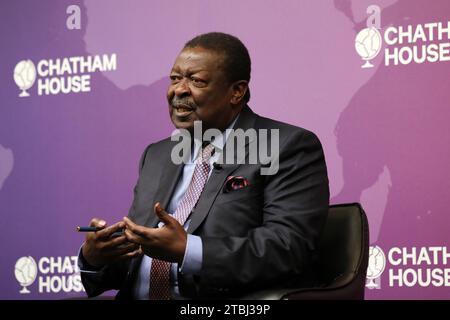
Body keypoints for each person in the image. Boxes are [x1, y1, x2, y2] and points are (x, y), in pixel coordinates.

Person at [78, 32, 329, 299]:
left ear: (236, 92)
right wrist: (96, 258)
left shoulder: (283, 146)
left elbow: (288, 249)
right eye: (175, 79)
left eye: (196, 81)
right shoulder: (158, 155)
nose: (179, 90)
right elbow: (138, 261)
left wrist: (189, 250)